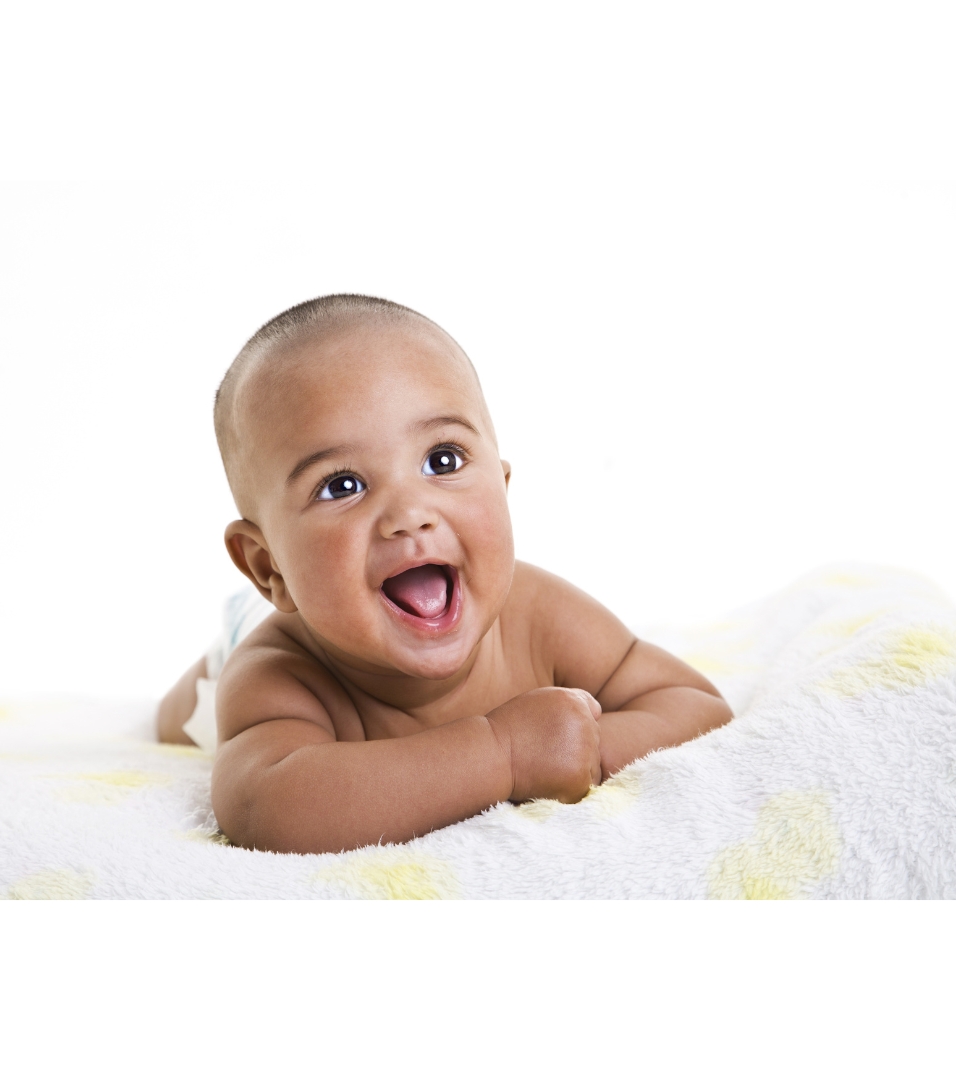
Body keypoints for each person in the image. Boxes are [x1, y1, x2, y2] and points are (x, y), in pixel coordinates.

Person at [157, 294, 732, 853]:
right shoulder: (279, 676)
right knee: (176, 718)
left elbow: (694, 704)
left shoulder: (539, 614)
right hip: (249, 634)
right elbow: (268, 807)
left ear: (503, 490)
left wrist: (581, 747)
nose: (410, 514)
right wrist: (504, 754)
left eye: (443, 460)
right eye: (342, 485)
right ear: (269, 566)